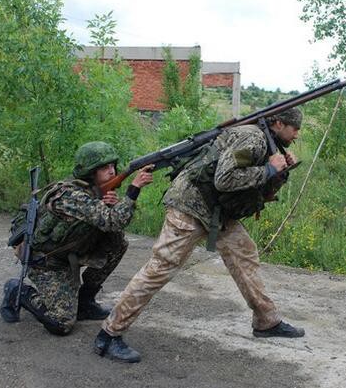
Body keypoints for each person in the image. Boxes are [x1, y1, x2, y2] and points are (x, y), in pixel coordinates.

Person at [93, 108, 306, 363]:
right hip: (190, 207)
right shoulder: (253, 138)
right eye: (295, 128)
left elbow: (255, 186)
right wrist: (269, 170)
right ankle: (108, 335)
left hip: (217, 211)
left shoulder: (267, 142)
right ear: (279, 123)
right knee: (159, 269)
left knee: (244, 256)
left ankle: (266, 321)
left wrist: (279, 173)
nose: (297, 134)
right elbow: (225, 179)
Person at [0, 141, 153, 335]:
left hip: (69, 251)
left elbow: (107, 223)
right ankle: (18, 291)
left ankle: (85, 302)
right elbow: (113, 220)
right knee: (61, 323)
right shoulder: (71, 195)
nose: (112, 171)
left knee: (116, 242)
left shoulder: (94, 191)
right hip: (47, 263)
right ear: (90, 171)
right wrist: (134, 189)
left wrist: (109, 205)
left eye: (113, 165)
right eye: (104, 167)